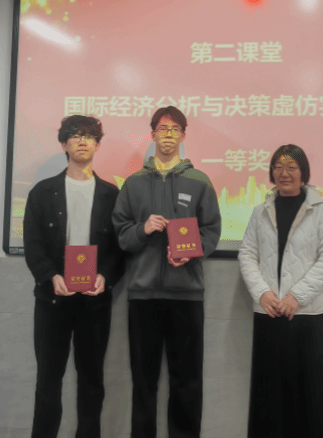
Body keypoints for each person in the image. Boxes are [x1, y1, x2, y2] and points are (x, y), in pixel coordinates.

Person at [112, 105, 221, 438]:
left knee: (187, 382)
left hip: (186, 295)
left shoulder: (199, 182)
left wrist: (189, 254)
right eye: (162, 128)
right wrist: (142, 229)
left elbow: (211, 231)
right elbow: (121, 234)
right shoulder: (133, 184)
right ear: (153, 134)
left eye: (175, 129)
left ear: (183, 136)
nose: (168, 134)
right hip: (143, 296)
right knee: (143, 383)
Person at [23, 115, 124, 438]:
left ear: (97, 144)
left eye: (90, 136)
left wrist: (105, 276)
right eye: (76, 135)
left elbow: (119, 249)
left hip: (94, 303)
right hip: (53, 300)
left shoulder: (112, 194)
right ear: (64, 143)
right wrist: (50, 276)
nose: (83, 141)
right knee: (48, 380)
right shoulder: (43, 192)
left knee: (92, 381)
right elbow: (33, 244)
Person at [238, 144, 323, 438]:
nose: (284, 173)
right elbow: (247, 255)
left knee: (316, 397)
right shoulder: (260, 212)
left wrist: (297, 296)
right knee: (270, 397)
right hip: (270, 312)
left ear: (303, 173)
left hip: (310, 315)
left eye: (292, 167)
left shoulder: (322, 212)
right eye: (278, 167)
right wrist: (262, 293)